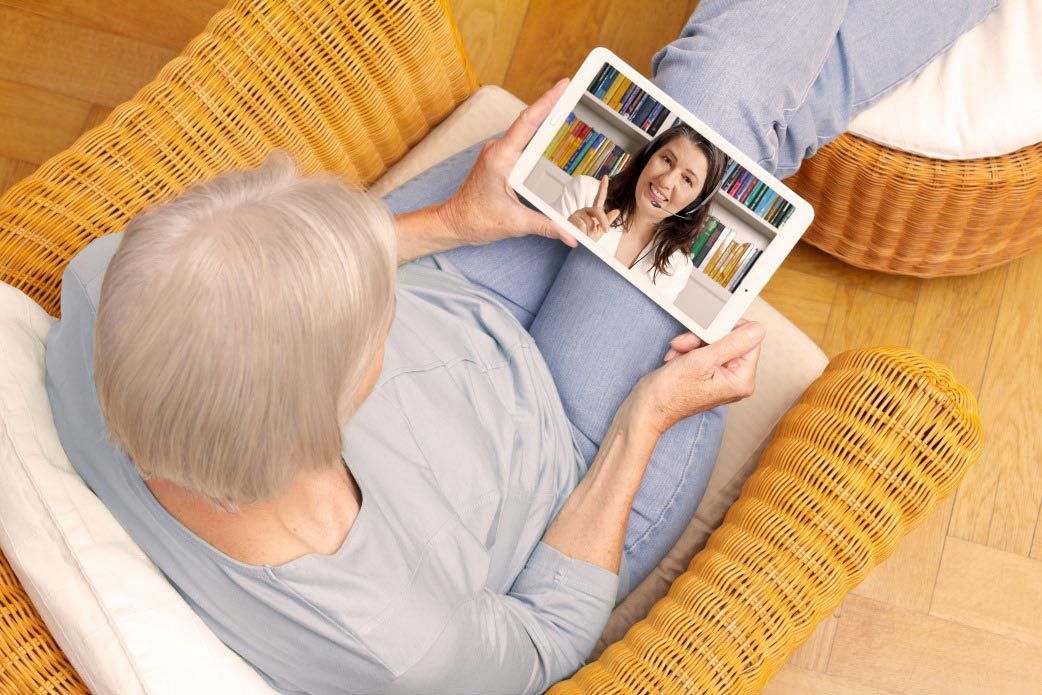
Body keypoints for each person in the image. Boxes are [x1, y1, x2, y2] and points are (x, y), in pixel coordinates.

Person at [43, 1, 999, 693]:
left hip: (458, 278)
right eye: (368, 318)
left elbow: (258, 281)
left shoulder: (104, 295)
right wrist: (645, 423)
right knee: (724, 104)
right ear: (333, 415)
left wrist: (450, 222)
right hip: (572, 426)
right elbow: (547, 639)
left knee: (718, 113)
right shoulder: (396, 641)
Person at [554, 123, 728, 302]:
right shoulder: (585, 192)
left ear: (696, 203)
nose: (666, 181)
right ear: (649, 156)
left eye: (687, 180)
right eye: (667, 160)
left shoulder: (678, 266)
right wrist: (568, 243)